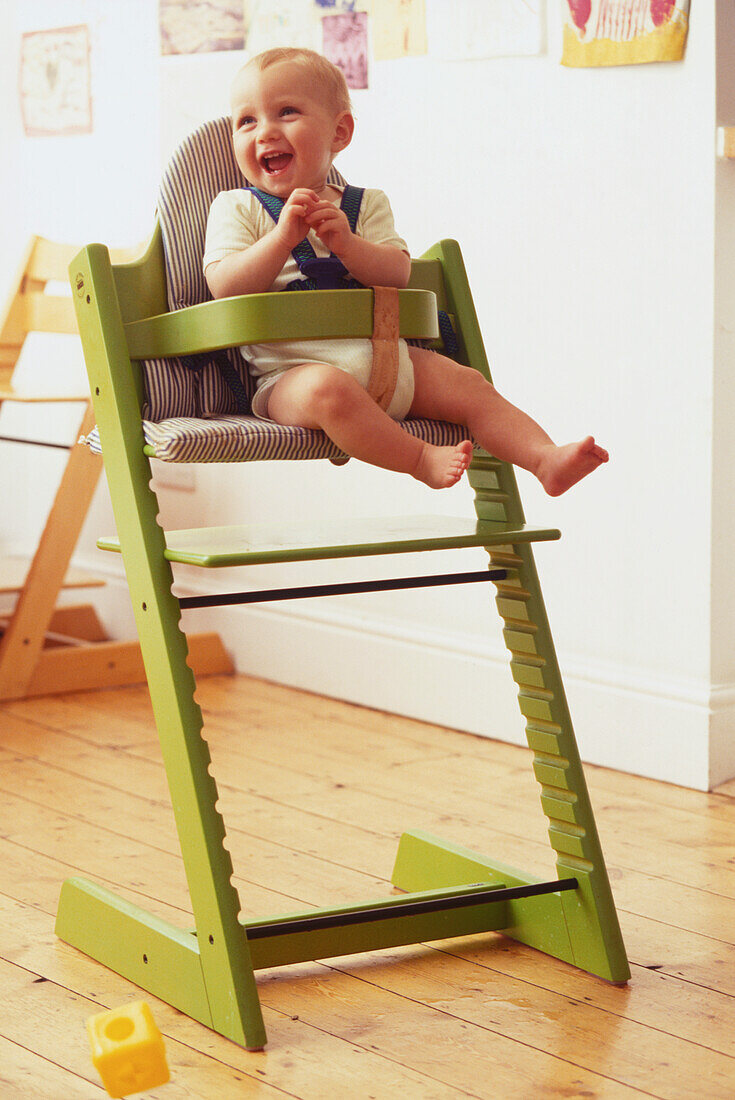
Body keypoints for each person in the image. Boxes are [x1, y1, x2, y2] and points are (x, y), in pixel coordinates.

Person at [204, 47, 608, 493]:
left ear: (339, 132)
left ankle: (544, 458)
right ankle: (417, 458)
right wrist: (281, 239)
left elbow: (397, 274)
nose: (265, 132)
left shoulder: (365, 205)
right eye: (247, 121)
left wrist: (347, 243)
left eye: (286, 112)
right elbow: (225, 284)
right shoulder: (236, 207)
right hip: (292, 378)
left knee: (468, 384)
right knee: (328, 390)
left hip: (389, 364)